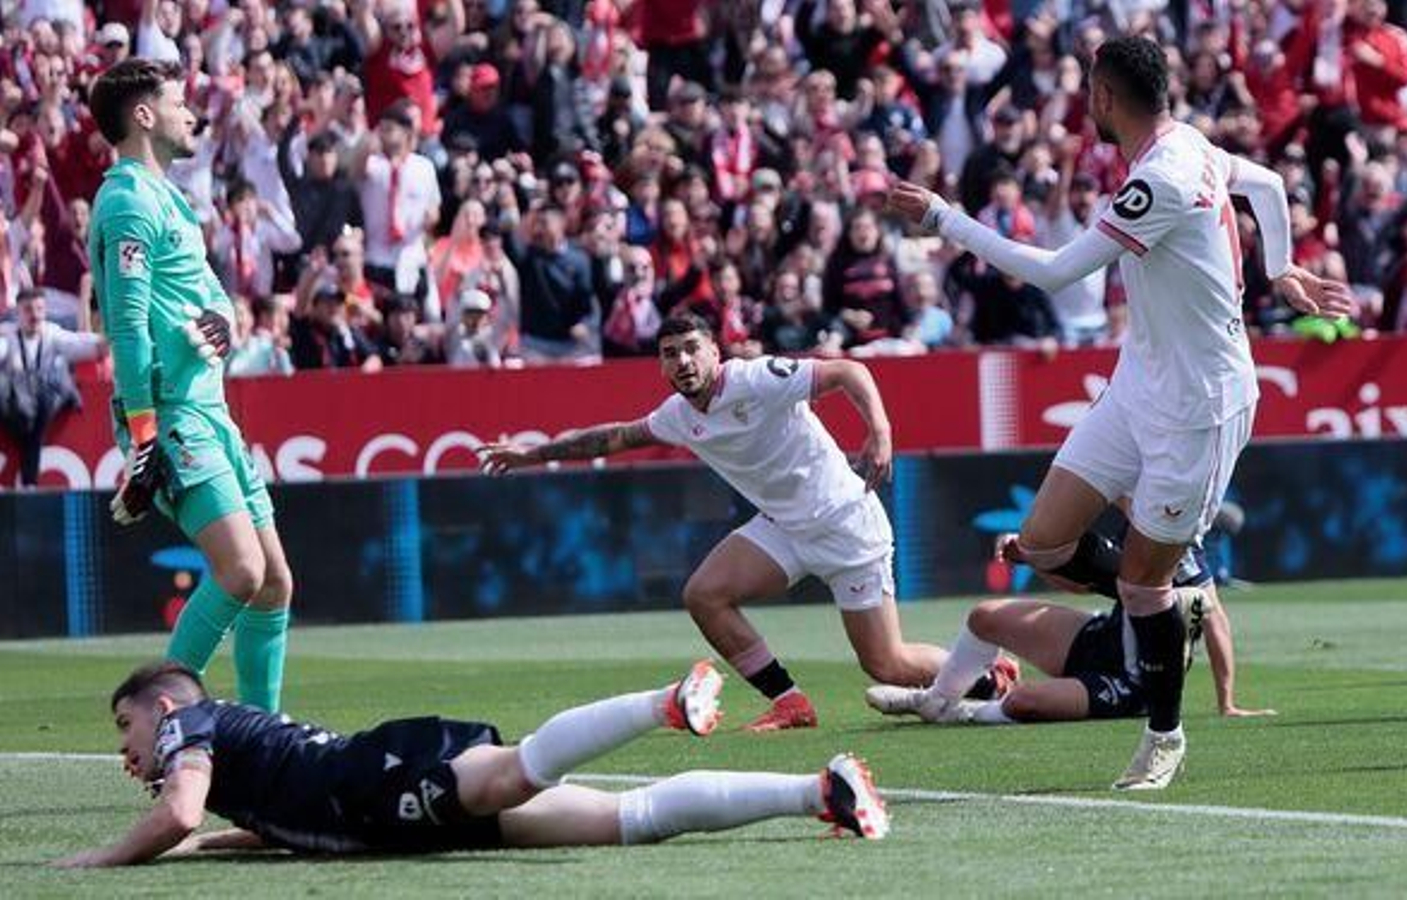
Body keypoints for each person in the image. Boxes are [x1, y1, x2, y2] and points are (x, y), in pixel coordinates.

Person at [884, 37, 1350, 789]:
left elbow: (1053, 270)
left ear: (1103, 97)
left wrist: (944, 219)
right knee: (1041, 541)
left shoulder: (1160, 178)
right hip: (1141, 383)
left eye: (1088, 96)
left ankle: (1163, 735)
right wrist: (1280, 271)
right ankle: (1169, 597)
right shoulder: (1187, 143)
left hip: (1199, 408)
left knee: (1140, 585)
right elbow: (1262, 181)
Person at [477, 314, 1008, 731]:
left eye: (691, 349)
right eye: (670, 354)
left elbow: (851, 371)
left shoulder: (756, 379)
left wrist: (881, 431)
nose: (682, 361)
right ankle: (789, 701)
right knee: (704, 594)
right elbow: (611, 437)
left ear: (715, 352)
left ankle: (988, 677)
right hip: (783, 527)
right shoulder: (678, 416)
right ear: (661, 366)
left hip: (846, 525)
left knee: (887, 665)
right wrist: (532, 454)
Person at [51, 659, 887, 867]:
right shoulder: (225, 750)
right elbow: (245, 824)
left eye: (124, 727)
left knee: (520, 771)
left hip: (369, 781)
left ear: (161, 709)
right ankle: (818, 791)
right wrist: (206, 845)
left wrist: (104, 858)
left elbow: (179, 811)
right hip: (370, 799)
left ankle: (662, 704)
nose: (128, 749)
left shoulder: (183, 729)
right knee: (627, 822)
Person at [86, 59, 295, 713]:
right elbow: (125, 322)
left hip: (208, 408)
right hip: (172, 413)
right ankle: (157, 723)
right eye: (178, 101)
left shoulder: (168, 198)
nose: (190, 112)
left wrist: (222, 319)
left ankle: (267, 742)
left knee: (274, 585)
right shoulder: (124, 202)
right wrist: (144, 435)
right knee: (241, 572)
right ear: (144, 115)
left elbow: (198, 300)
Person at [866, 528, 1276, 725]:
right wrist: (1030, 557)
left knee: (1022, 703)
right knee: (985, 616)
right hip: (1099, 638)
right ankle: (936, 700)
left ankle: (965, 711)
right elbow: (1082, 583)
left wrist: (1227, 701)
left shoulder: (1180, 546)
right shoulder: (1130, 527)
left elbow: (1214, 617)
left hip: (1132, 683)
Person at [0, 288, 105, 485]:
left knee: (52, 386)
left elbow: (83, 345)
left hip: (45, 405)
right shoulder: (7, 334)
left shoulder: (52, 334)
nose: (35, 315)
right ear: (18, 312)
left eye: (39, 309)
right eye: (28, 310)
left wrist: (113, 340)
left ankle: (29, 481)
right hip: (16, 409)